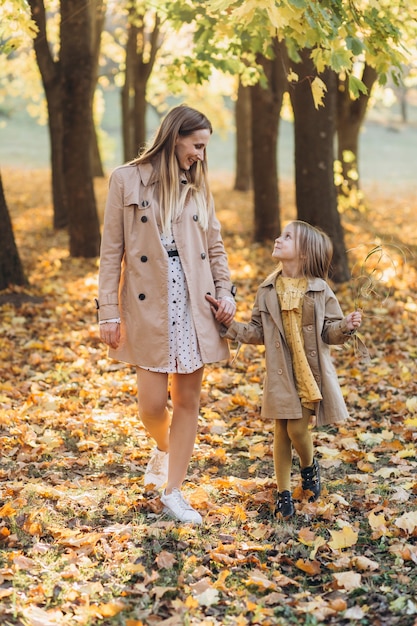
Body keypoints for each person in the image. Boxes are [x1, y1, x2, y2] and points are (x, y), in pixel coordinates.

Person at [97, 105, 236, 525]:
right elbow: (111, 251)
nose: (201, 155)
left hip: (196, 299)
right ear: (175, 137)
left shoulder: (198, 186)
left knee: (188, 400)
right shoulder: (125, 179)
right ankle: (163, 448)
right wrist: (107, 311)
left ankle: (173, 491)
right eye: (197, 145)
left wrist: (226, 292)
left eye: (205, 147)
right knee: (152, 405)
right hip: (149, 301)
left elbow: (215, 248)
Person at [207, 220, 362, 519]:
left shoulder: (320, 290)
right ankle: (284, 493)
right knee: (281, 431)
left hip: (308, 372)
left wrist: (346, 326)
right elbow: (256, 331)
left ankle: (308, 465)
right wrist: (228, 326)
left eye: (287, 237)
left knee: (296, 429)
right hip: (280, 372)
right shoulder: (267, 289)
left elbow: (330, 332)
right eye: (281, 234)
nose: (278, 239)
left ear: (304, 254)